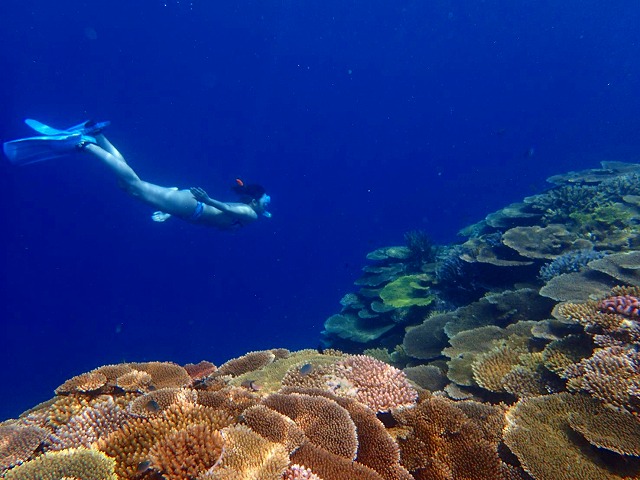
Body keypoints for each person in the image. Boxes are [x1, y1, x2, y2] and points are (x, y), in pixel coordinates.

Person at [3, 119, 272, 229]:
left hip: (186, 206)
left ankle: (99, 136)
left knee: (131, 183)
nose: (266, 207)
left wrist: (170, 209)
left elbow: (228, 211)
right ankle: (85, 144)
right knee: (132, 184)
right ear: (254, 202)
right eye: (264, 203)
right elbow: (225, 208)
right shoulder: (249, 214)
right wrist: (208, 199)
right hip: (193, 207)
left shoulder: (252, 210)